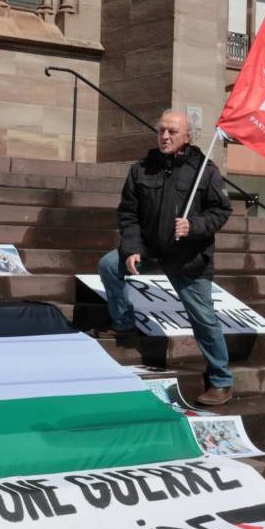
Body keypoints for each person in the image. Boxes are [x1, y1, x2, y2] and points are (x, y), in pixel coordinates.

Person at [95, 110, 234, 406]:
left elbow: (221, 211)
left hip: (188, 257)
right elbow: (128, 213)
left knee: (204, 318)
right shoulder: (141, 169)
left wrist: (194, 226)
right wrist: (131, 247)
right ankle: (124, 324)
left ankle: (221, 380)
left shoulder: (205, 170)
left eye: (172, 132)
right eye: (161, 130)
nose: (165, 136)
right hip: (149, 249)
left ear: (187, 137)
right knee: (108, 265)